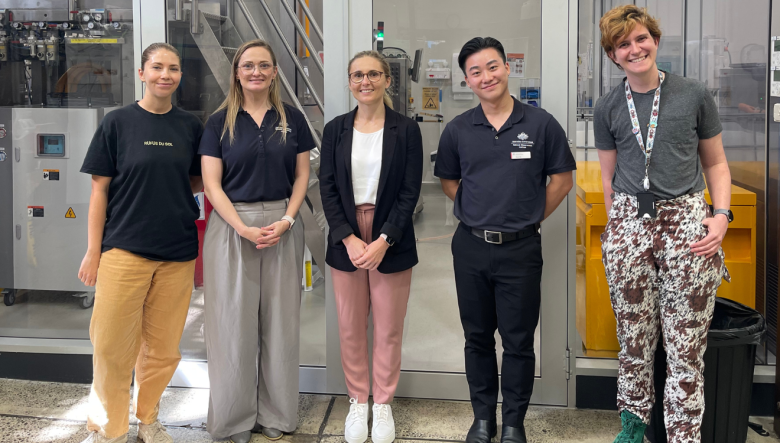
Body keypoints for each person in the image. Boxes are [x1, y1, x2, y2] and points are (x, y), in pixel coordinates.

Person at [594, 6, 732, 443]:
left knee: (686, 349)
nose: (634, 49)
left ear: (654, 40)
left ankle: (683, 437)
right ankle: (633, 431)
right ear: (613, 55)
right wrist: (618, 229)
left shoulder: (692, 94)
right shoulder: (608, 106)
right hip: (631, 224)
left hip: (688, 225)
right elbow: (608, 177)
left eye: (640, 39)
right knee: (633, 343)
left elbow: (717, 164)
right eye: (622, 45)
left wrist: (721, 217)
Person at [434, 37, 576, 443]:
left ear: (507, 68)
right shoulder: (458, 129)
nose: (486, 76)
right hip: (471, 247)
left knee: (517, 340)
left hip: (521, 248)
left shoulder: (540, 123)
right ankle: (483, 418)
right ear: (467, 80)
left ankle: (513, 422)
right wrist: (478, 213)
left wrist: (527, 217)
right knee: (476, 336)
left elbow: (562, 180)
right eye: (476, 71)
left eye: (492, 66)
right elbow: (448, 180)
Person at [77, 42, 204, 443]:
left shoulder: (190, 126)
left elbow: (198, 180)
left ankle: (148, 418)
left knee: (163, 350)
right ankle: (108, 429)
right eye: (158, 67)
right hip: (124, 250)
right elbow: (99, 192)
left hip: (177, 254)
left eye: (174, 69)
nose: (166, 75)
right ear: (143, 73)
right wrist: (93, 251)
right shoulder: (118, 123)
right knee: (112, 348)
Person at [199, 39, 314, 443]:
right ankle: (232, 421)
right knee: (231, 325)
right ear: (236, 72)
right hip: (233, 226)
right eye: (248, 65)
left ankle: (278, 416)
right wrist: (242, 227)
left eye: (264, 65)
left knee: (281, 324)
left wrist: (287, 219)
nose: (256, 72)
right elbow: (211, 185)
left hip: (282, 223)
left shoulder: (292, 120)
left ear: (275, 72)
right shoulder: (218, 122)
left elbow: (302, 176)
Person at [319, 50, 423, 443]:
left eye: (374, 74)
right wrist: (346, 236)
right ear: (349, 82)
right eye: (358, 75)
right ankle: (357, 402)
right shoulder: (335, 130)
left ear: (387, 80)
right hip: (346, 233)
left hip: (389, 235)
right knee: (349, 326)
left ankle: (382, 404)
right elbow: (327, 187)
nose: (366, 81)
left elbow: (410, 190)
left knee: (388, 327)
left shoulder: (406, 129)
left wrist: (385, 240)